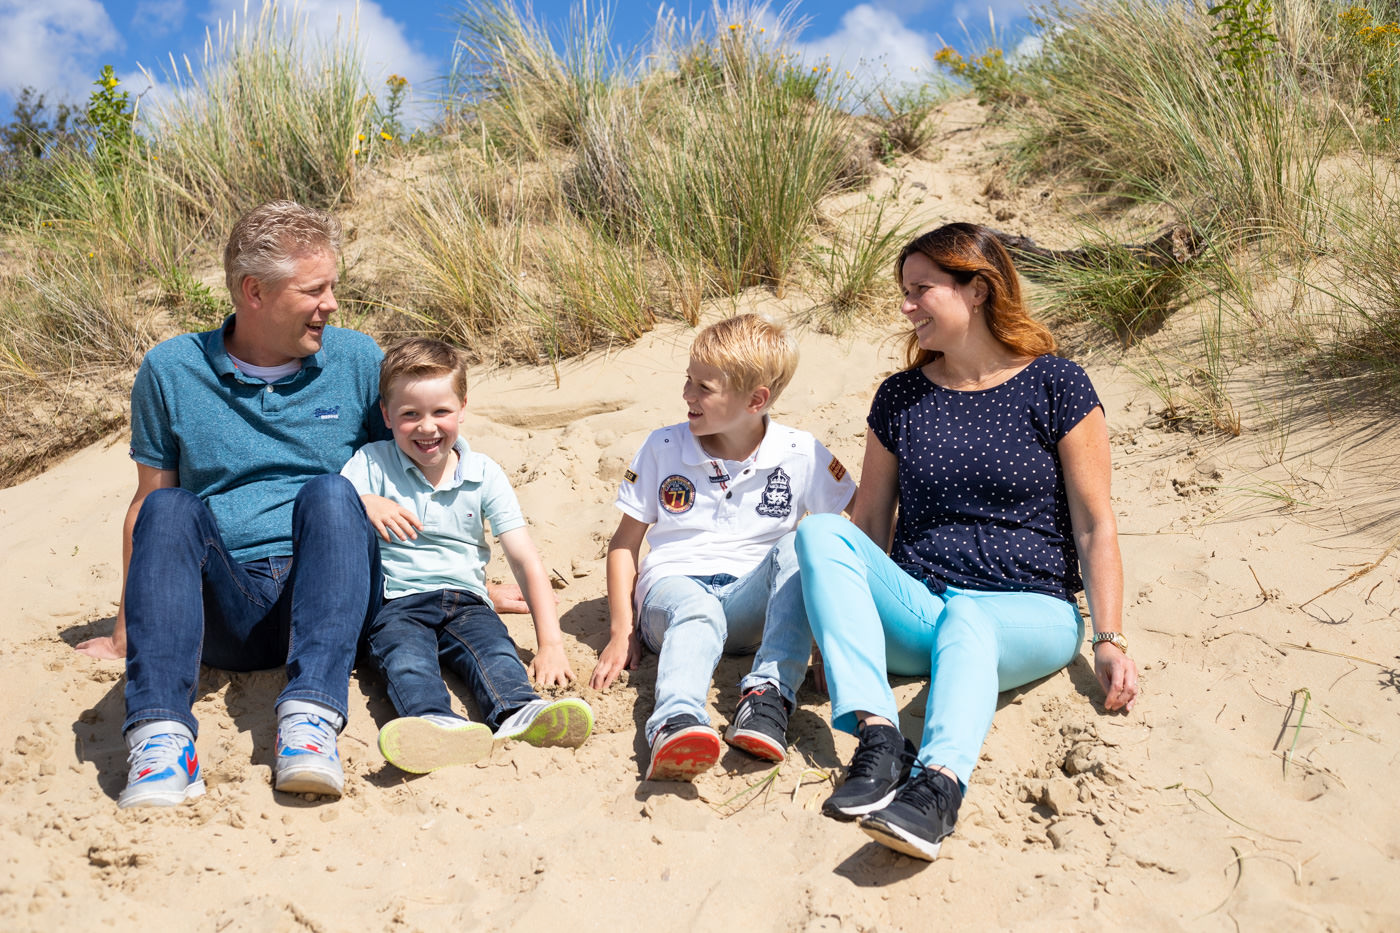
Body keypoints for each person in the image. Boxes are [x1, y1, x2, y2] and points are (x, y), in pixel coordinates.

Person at [794, 223, 1139, 860]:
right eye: (904, 290)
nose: (906, 306)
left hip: (1029, 614)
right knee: (821, 533)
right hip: (921, 609)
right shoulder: (900, 396)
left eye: (921, 289)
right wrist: (831, 628)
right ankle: (877, 736)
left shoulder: (1057, 385)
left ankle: (938, 787)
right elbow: (868, 522)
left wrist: (1109, 637)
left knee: (971, 616)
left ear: (977, 290)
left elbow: (1095, 523)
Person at [74, 201, 385, 807]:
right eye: (314, 290)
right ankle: (162, 738)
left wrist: (467, 582)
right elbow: (148, 504)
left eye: (333, 287)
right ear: (254, 292)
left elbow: (409, 481)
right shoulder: (171, 370)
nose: (332, 305)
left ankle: (310, 722)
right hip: (225, 611)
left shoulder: (358, 361)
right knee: (171, 509)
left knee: (329, 490)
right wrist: (121, 631)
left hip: (331, 595)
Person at [590, 314, 856, 781]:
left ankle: (767, 697)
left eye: (704, 388)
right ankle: (675, 720)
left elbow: (854, 531)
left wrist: (831, 636)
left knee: (802, 543)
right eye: (688, 381)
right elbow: (624, 545)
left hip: (753, 608)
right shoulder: (664, 446)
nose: (688, 395)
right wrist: (620, 629)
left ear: (756, 400)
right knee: (699, 611)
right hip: (672, 595)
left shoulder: (800, 451)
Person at [341, 338, 593, 774]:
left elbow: (523, 557)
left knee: (494, 652)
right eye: (409, 415)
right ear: (386, 415)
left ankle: (518, 711)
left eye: (441, 412)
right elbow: (333, 505)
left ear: (462, 407)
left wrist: (550, 643)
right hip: (397, 603)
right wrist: (365, 501)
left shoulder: (483, 473)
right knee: (405, 660)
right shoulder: (371, 462)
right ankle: (432, 721)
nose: (427, 427)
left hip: (467, 599)